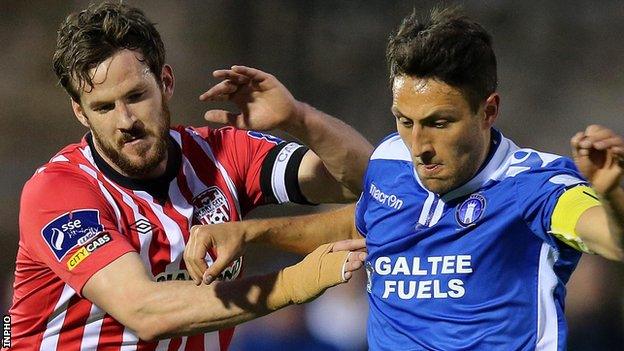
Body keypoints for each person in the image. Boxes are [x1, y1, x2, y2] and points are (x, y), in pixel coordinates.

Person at [185, 7, 624, 351]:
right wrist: (250, 232)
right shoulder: (393, 162)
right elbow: (362, 224)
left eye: (439, 122)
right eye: (404, 121)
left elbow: (612, 239)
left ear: (488, 110)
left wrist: (614, 194)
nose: (419, 145)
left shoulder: (537, 187)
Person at [7, 2, 371, 350]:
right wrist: (294, 282)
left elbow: (366, 180)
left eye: (136, 96)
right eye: (103, 107)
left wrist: (300, 119)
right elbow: (144, 311)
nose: (126, 122)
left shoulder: (223, 155)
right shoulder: (58, 191)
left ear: (165, 82)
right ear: (81, 113)